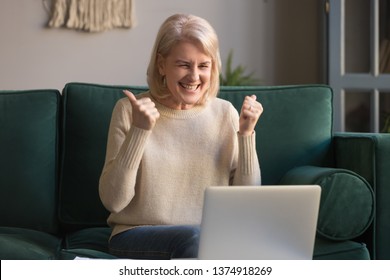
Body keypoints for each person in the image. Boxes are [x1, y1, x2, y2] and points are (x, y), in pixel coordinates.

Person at [99, 13, 263, 259]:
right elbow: (114, 201)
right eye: (184, 65)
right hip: (137, 234)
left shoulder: (225, 113)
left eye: (203, 65)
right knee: (195, 240)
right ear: (161, 65)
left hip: (209, 237)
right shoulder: (128, 111)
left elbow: (248, 203)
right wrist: (140, 130)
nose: (194, 76)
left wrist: (246, 134)